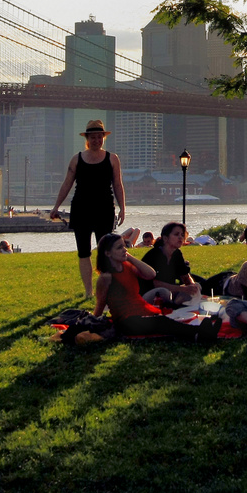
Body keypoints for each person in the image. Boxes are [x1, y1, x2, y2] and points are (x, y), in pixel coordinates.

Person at [91, 230, 219, 342]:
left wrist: (129, 257)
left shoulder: (128, 266)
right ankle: (199, 332)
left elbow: (150, 274)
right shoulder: (106, 277)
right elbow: (100, 304)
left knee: (164, 319)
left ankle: (201, 331)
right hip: (126, 321)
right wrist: (93, 322)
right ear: (108, 253)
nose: (124, 249)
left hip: (141, 309)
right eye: (119, 248)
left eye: (124, 246)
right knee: (161, 322)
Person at [50, 119, 127, 299]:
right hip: (81, 209)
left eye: (99, 137)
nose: (96, 140)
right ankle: (88, 292)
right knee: (83, 251)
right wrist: (56, 207)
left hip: (105, 209)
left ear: (103, 138)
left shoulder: (112, 158)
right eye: (93, 137)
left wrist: (123, 208)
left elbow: (118, 184)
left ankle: (106, 289)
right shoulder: (77, 159)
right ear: (87, 138)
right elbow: (67, 184)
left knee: (106, 251)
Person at [141, 221, 202, 305]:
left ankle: (173, 306)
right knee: (164, 292)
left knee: (197, 286)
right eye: (176, 234)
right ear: (165, 238)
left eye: (182, 235)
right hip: (149, 293)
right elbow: (156, 284)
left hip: (170, 291)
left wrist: (191, 285)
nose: (180, 237)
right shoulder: (155, 254)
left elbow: (185, 276)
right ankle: (173, 306)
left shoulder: (177, 254)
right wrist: (183, 289)